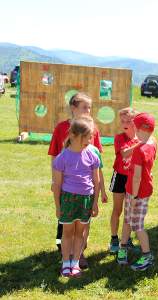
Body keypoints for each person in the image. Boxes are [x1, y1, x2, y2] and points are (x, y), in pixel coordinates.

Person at [48, 92, 104, 268]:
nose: (88, 110)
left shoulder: (92, 129)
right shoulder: (60, 128)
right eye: (84, 107)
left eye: (90, 107)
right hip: (66, 186)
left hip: (85, 189)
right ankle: (63, 252)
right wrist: (54, 181)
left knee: (83, 223)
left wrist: (99, 189)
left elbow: (96, 159)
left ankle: (79, 254)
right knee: (65, 223)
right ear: (73, 108)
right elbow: (55, 156)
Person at [117, 112, 157, 271]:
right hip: (138, 190)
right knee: (127, 219)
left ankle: (147, 256)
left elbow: (137, 178)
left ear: (139, 128)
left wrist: (133, 197)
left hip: (137, 193)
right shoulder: (153, 142)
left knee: (137, 225)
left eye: (134, 125)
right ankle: (123, 248)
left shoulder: (139, 150)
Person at [109, 108, 139, 253]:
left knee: (131, 211)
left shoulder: (140, 137)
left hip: (134, 178)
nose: (125, 123)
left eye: (128, 121)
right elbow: (124, 153)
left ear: (135, 122)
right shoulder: (119, 137)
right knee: (118, 209)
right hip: (120, 176)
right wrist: (140, 143)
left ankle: (126, 240)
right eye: (122, 121)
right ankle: (114, 238)